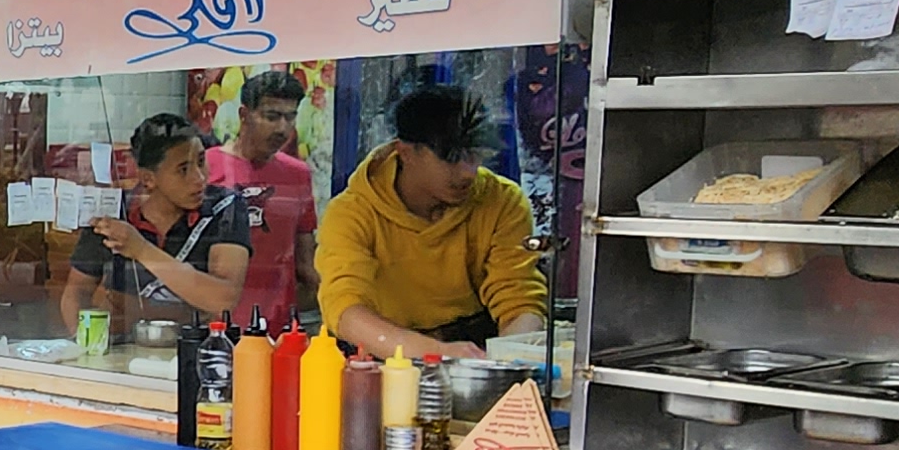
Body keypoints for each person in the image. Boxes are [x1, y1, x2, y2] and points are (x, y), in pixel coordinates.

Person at [314, 80, 549, 363]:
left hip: (476, 349)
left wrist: (503, 362)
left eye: (476, 155)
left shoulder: (503, 201)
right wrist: (438, 353)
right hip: (383, 356)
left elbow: (520, 298)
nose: (469, 172)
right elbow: (345, 311)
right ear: (406, 152)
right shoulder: (352, 212)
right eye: (452, 158)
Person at [54, 111, 251, 339]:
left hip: (196, 348)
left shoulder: (226, 207)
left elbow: (223, 299)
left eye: (200, 162)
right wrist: (87, 344)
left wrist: (141, 250)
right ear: (148, 179)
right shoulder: (115, 214)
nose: (199, 178)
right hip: (123, 349)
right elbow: (76, 293)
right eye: (183, 169)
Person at [205, 68, 319, 331]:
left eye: (290, 117)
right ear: (244, 115)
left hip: (278, 328)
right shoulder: (206, 167)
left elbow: (305, 263)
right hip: (215, 325)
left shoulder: (298, 174)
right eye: (271, 116)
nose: (282, 128)